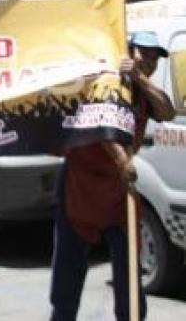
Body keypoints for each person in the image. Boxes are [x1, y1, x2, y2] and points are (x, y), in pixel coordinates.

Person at [49, 32, 175, 321]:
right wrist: (121, 158)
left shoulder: (143, 90)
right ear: (128, 50)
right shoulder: (103, 78)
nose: (150, 62)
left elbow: (167, 112)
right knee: (68, 279)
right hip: (80, 186)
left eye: (155, 58)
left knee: (130, 275)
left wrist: (141, 78)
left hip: (119, 191)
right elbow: (96, 123)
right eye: (145, 54)